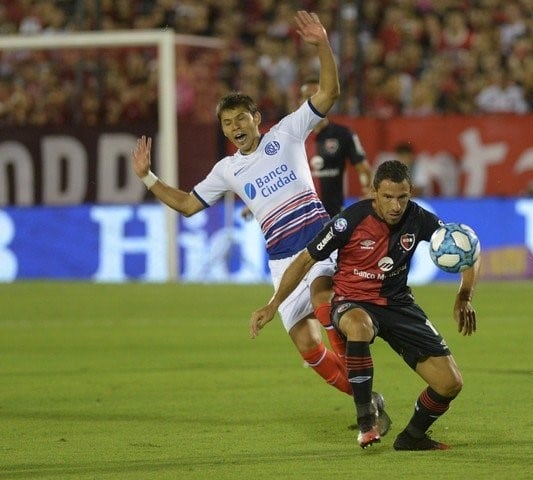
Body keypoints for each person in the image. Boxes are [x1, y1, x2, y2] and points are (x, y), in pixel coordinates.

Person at [131, 11, 378, 410]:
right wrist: (148, 177)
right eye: (227, 123)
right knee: (307, 348)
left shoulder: (287, 132)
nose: (235, 127)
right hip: (281, 261)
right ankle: (369, 397)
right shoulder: (227, 170)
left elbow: (329, 93)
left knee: (322, 298)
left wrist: (323, 46)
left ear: (257, 119)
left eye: (241, 119)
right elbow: (188, 205)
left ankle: (364, 407)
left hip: (318, 245)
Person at [250, 160, 480, 450]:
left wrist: (465, 295)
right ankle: (366, 422)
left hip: (398, 304)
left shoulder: (419, 218)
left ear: (410, 193)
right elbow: (307, 258)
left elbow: (466, 248)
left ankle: (412, 437)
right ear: (374, 193)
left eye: (402, 197)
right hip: (352, 301)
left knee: (450, 383)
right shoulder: (350, 220)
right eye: (388, 197)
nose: (396, 206)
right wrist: (273, 304)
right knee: (358, 326)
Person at [300, 77, 373, 217]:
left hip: (334, 216)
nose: (311, 101)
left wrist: (368, 190)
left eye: (316, 96)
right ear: (300, 102)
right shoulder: (292, 137)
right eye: (306, 97)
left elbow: (363, 169)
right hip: (302, 220)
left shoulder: (343, 134)